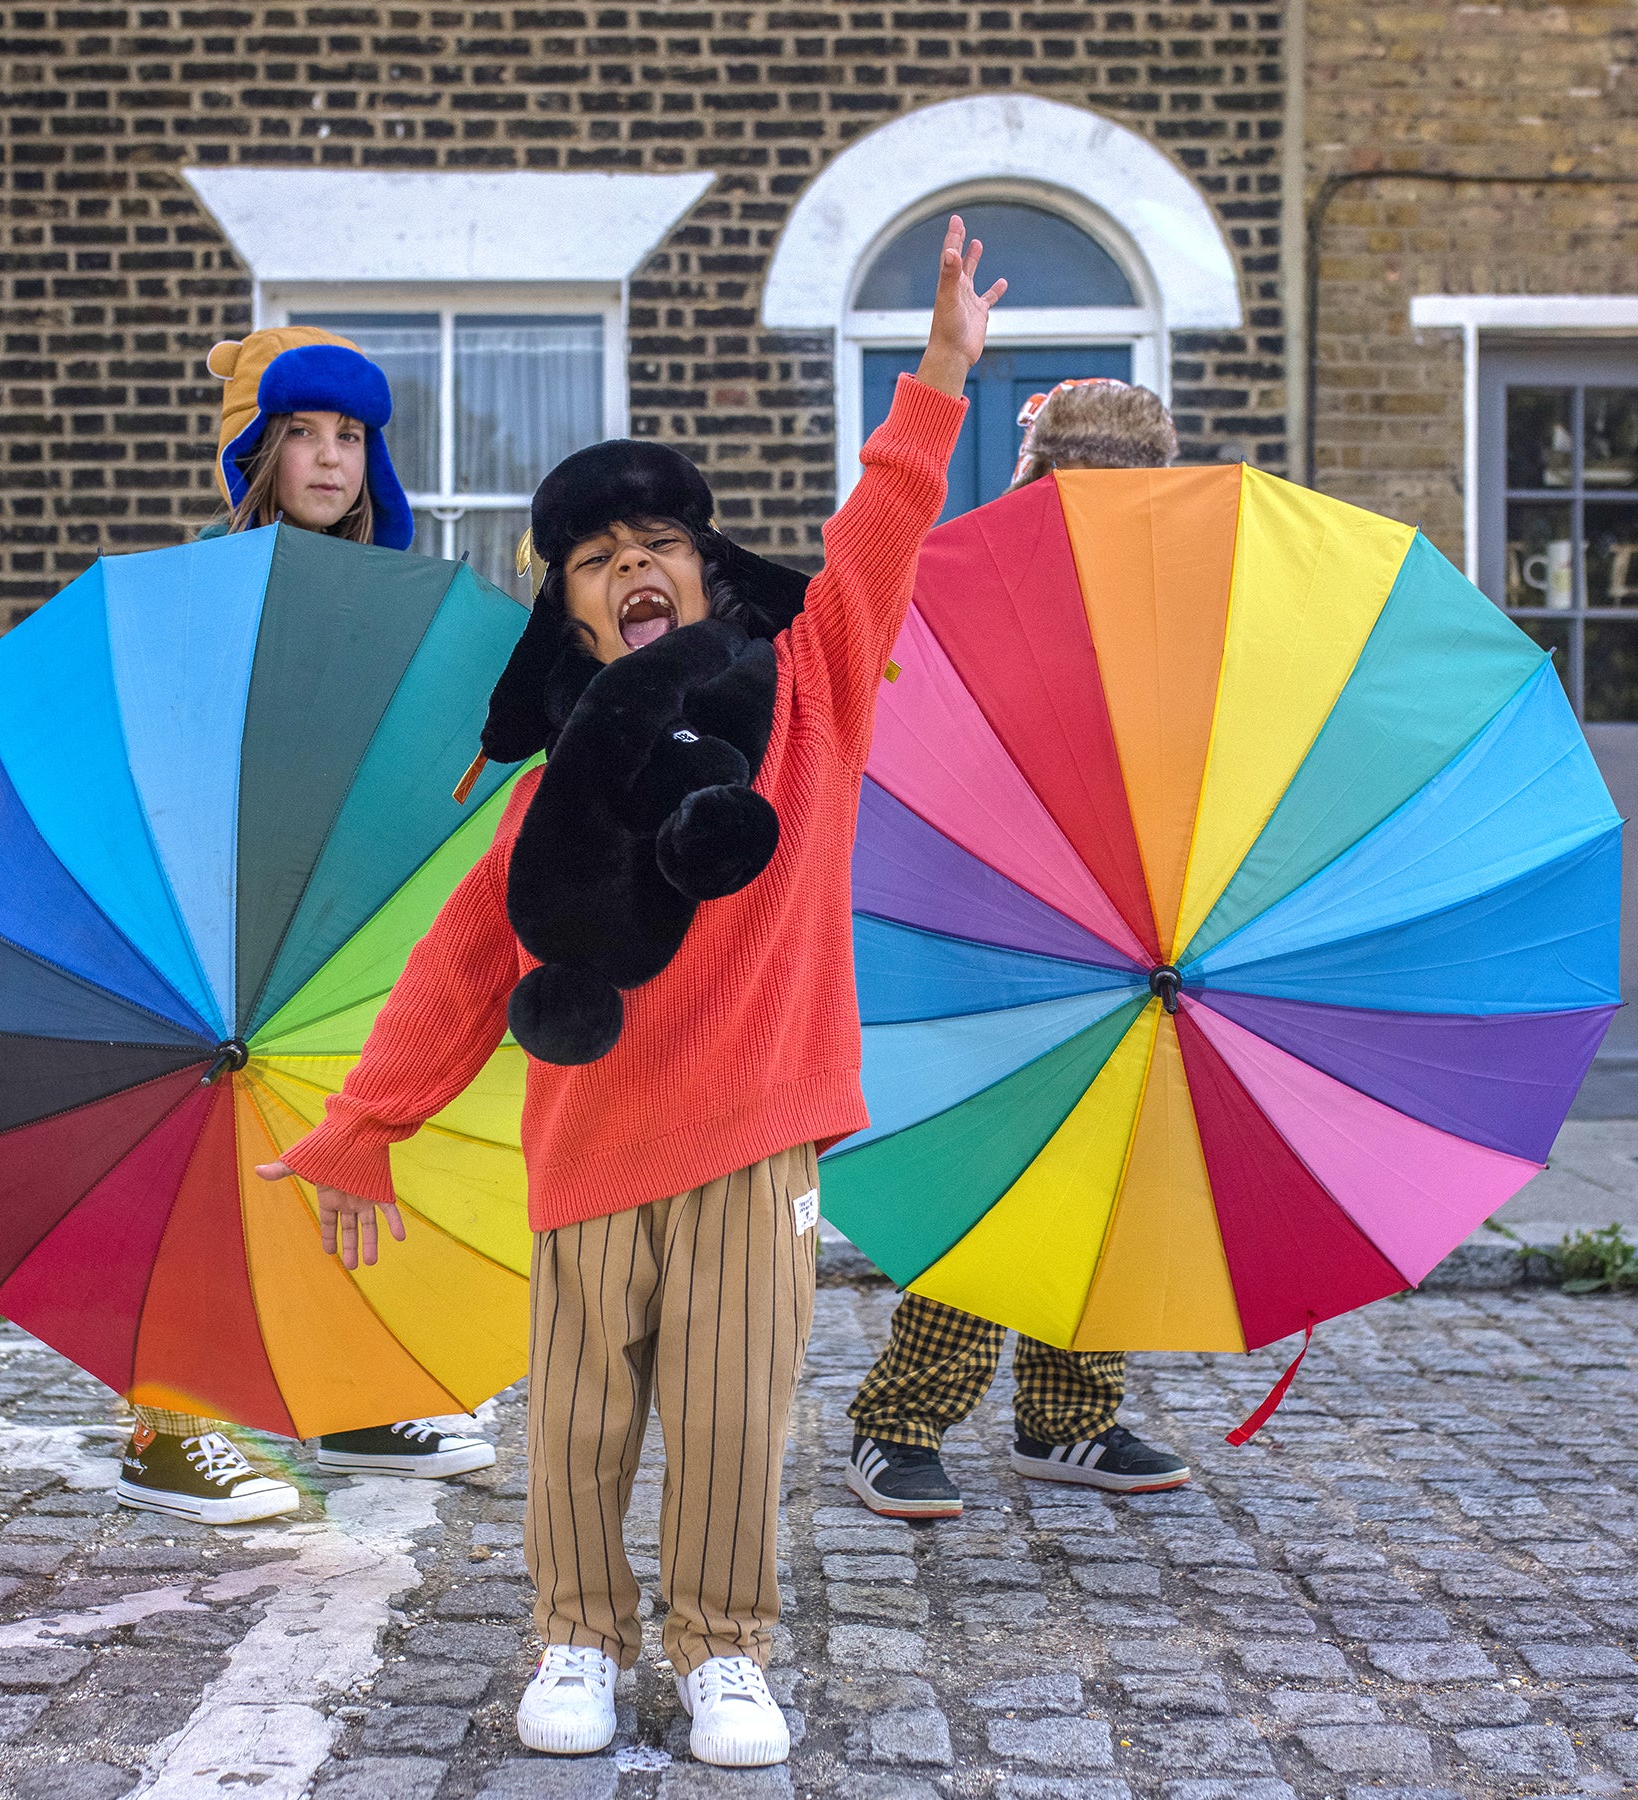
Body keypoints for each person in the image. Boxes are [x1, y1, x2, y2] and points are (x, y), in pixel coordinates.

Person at [254, 221, 1001, 1766]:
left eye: (658, 543)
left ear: (709, 574)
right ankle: (577, 1637)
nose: (632, 569)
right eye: (597, 562)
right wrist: (364, 1127)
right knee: (582, 1425)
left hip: (758, 1142)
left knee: (732, 1418)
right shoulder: (550, 799)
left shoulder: (811, 701)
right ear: (577, 619)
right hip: (589, 1151)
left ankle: (724, 1649)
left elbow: (880, 534)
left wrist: (937, 375)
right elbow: (462, 965)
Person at [114, 327, 495, 1527]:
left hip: (340, 908)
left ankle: (351, 1394)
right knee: (206, 1150)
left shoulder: (395, 599)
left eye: (351, 437)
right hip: (218, 900)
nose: (329, 458)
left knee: (341, 1141)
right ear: (262, 451)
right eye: (303, 434)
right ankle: (167, 1429)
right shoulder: (207, 591)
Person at [845, 378, 1193, 1522]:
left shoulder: (1181, 606)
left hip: (1142, 928)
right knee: (998, 1170)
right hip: (993, 917)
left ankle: (1070, 1412)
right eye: (1080, 493)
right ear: (1037, 484)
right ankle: (901, 1419)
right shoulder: (972, 586)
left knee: (1108, 1174)